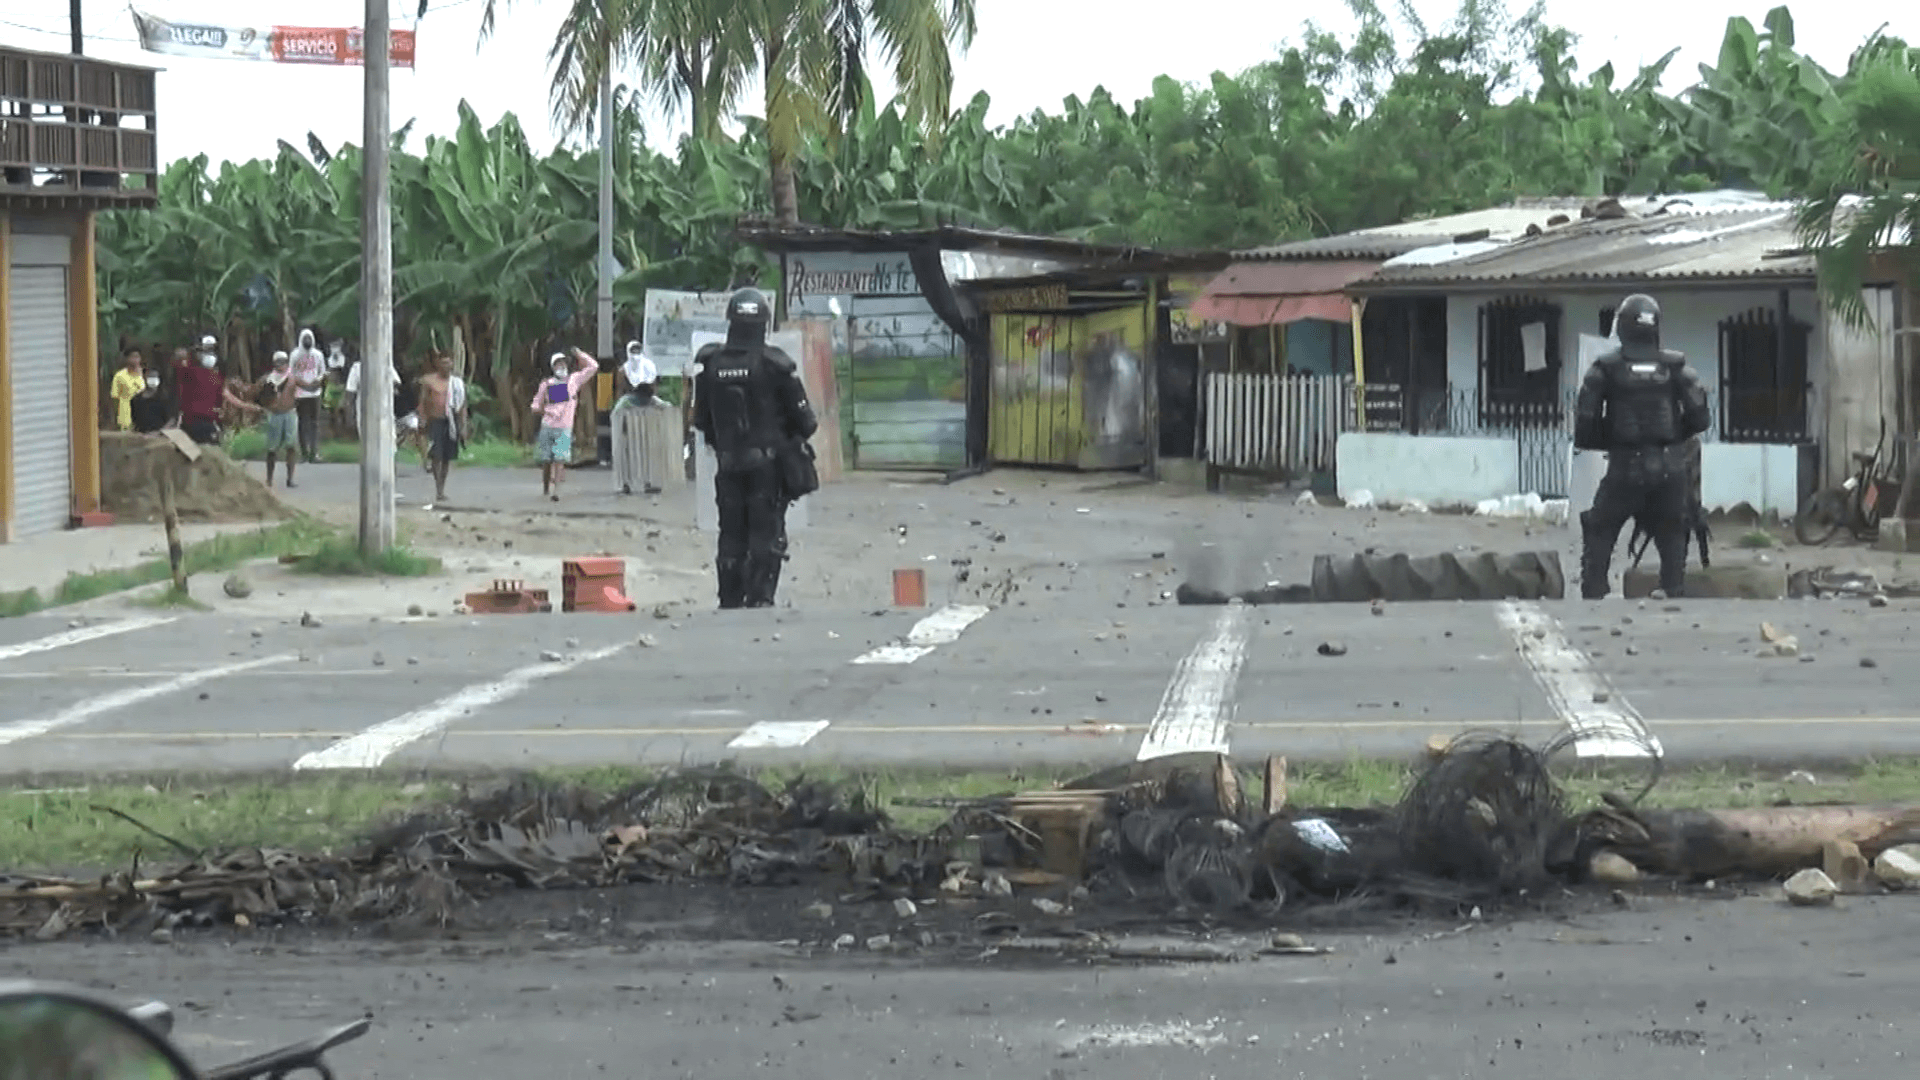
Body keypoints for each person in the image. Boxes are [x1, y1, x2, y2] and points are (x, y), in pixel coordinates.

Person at [1575, 293, 1712, 599]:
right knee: (1673, 531)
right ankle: (1673, 590)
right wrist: (1674, 436)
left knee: (1600, 529)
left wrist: (1609, 439)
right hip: (1669, 466)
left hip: (1625, 467)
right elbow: (1701, 417)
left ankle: (1594, 593)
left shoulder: (1606, 368)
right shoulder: (1675, 366)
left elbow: (1584, 423)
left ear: (1622, 326)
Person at [692, 287, 819, 609]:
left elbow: (701, 420)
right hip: (766, 467)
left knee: (731, 533)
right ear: (763, 321)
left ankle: (730, 598)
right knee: (766, 532)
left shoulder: (711, 365)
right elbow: (807, 423)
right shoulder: (775, 365)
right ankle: (760, 598)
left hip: (728, 464)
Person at [530, 347, 599, 501]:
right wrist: (545, 411)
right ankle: (546, 488)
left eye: (563, 363)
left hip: (564, 427)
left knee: (560, 460)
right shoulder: (547, 384)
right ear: (552, 367)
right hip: (548, 426)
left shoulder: (574, 380)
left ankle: (557, 491)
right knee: (547, 460)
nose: (561, 366)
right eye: (557, 364)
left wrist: (580, 354)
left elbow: (593, 367)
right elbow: (535, 405)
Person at [175, 336, 257, 445]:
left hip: (189, 421)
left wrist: (195, 349)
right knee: (211, 453)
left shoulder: (191, 372)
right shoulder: (216, 378)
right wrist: (247, 406)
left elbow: (181, 361)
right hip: (207, 421)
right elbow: (229, 396)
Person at [252, 350, 308, 488]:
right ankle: (269, 478)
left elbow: (308, 386)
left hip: (289, 413)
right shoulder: (268, 378)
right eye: (278, 362)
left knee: (291, 447)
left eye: (283, 361)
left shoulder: (292, 377)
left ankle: (290, 479)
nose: (281, 364)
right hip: (274, 414)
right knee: (272, 449)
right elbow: (255, 391)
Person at [418, 350, 465, 503]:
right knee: (436, 455)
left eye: (449, 362)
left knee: (446, 457)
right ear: (438, 364)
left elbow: (462, 405)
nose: (446, 365)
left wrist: (463, 425)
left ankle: (442, 486)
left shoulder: (456, 383)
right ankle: (438, 489)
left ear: (452, 364)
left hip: (450, 421)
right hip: (435, 421)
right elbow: (423, 401)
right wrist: (422, 419)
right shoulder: (429, 381)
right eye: (443, 362)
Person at [288, 327, 327, 462]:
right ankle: (304, 454)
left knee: (314, 424)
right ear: (300, 339)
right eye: (305, 338)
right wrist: (302, 383)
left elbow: (322, 372)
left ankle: (314, 453)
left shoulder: (318, 355)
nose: (307, 341)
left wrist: (317, 381)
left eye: (309, 338)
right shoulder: (295, 355)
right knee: (302, 423)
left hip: (315, 393)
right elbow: (291, 374)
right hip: (300, 394)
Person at [109, 347, 145, 432]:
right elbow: (114, 398)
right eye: (132, 357)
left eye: (137, 357)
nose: (135, 360)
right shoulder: (119, 376)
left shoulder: (144, 375)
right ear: (126, 359)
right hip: (126, 418)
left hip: (142, 418)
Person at [129, 364, 170, 434]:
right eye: (150, 376)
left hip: (158, 437)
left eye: (154, 377)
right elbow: (134, 420)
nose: (152, 379)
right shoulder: (136, 399)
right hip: (141, 437)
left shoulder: (164, 399)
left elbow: (170, 420)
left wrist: (159, 432)